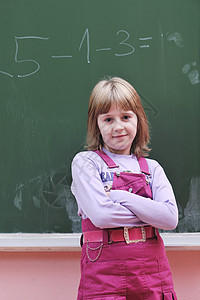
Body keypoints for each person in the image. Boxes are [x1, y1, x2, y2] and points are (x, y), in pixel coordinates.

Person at [71, 77, 178, 300]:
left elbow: (169, 219)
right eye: (108, 119)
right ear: (96, 125)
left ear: (138, 120)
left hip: (153, 272)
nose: (118, 127)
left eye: (126, 117)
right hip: (103, 275)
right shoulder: (86, 163)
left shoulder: (153, 168)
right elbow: (102, 216)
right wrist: (151, 213)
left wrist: (119, 196)